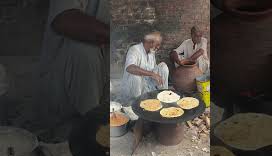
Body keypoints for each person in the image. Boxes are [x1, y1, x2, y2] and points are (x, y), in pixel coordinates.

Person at [31, 0, 109, 142]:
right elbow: (64, 19)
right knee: (84, 51)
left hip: (107, 87)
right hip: (63, 92)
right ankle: (93, 133)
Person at [121, 31, 169, 105]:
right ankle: (136, 104)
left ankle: (164, 96)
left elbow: (153, 69)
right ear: (150, 42)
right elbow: (129, 68)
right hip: (134, 88)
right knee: (135, 76)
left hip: (147, 86)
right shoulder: (134, 49)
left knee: (163, 66)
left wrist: (155, 75)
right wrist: (152, 74)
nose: (158, 47)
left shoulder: (151, 52)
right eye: (157, 44)